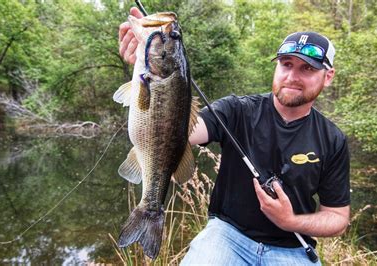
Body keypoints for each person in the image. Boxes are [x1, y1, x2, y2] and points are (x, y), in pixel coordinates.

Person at [119, 7, 350, 265]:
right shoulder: (237, 109)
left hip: (293, 247)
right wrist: (144, 68)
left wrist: (291, 221)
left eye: (307, 68)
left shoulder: (333, 139)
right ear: (276, 67)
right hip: (226, 236)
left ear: (328, 76)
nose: (292, 76)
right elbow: (184, 133)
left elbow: (338, 218)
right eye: (286, 65)